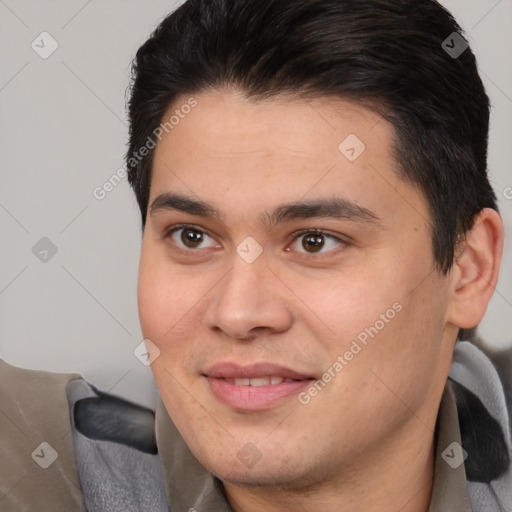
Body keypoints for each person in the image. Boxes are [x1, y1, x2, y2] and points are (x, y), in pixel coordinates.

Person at [1, 0, 510, 511]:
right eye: (192, 237)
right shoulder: (40, 468)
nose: (238, 313)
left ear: (468, 270)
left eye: (315, 241)